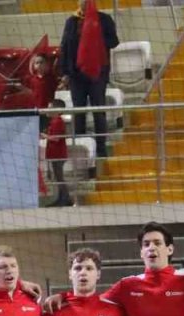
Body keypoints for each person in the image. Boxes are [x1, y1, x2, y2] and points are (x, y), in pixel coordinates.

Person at [57, 0, 119, 157]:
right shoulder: (71, 21)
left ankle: (101, 149)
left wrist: (95, 37)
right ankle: (81, 148)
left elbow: (114, 42)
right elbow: (64, 47)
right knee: (79, 112)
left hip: (97, 74)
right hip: (76, 75)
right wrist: (64, 73)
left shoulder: (104, 19)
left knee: (98, 111)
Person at [44, 99, 71, 207]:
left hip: (58, 154)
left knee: (60, 177)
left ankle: (65, 198)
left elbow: (56, 138)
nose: (47, 110)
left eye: (50, 108)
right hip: (55, 153)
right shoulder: (54, 122)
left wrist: (44, 136)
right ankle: (62, 198)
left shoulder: (57, 122)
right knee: (58, 177)